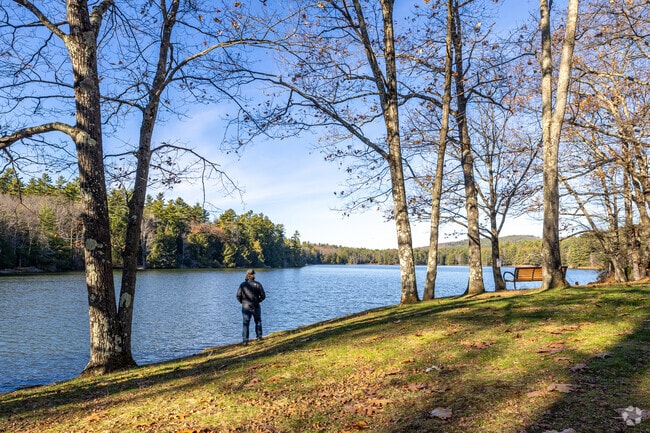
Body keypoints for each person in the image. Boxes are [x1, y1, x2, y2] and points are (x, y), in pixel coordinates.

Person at [236, 269, 266, 345]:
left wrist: (242, 302)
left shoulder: (242, 285)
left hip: (245, 307)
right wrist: (258, 301)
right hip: (256, 306)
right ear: (253, 275)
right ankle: (259, 337)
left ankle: (245, 341)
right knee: (258, 321)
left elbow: (238, 296)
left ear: (247, 275)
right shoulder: (258, 284)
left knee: (245, 323)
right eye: (254, 274)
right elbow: (263, 296)